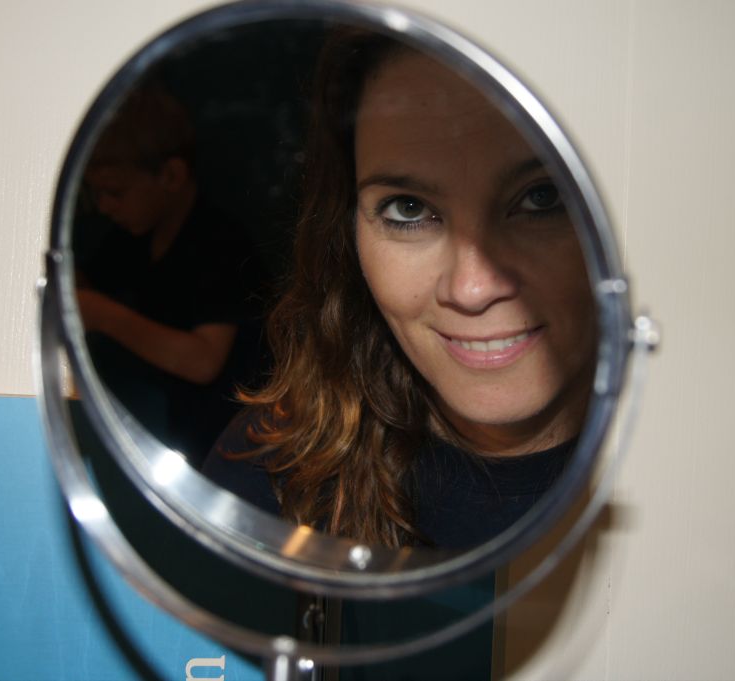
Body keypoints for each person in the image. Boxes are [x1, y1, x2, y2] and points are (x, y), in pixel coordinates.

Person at [204, 31, 596, 549]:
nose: (472, 288)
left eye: (542, 198)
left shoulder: (692, 474)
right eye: (408, 209)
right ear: (348, 235)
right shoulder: (273, 475)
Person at [76, 83, 269, 464]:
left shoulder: (221, 243)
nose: (104, 207)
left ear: (171, 176)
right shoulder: (130, 238)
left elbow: (203, 361)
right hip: (165, 433)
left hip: (230, 447)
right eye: (96, 195)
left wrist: (102, 314)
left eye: (116, 192)